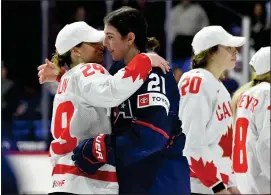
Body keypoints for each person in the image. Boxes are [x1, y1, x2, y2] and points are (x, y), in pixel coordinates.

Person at [40, 7, 190, 194]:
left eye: (108, 37)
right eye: (95, 41)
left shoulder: (73, 79)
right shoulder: (96, 72)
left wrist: (62, 75)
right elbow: (110, 90)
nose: (102, 44)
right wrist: (144, 60)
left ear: (129, 38)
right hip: (90, 180)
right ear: (76, 50)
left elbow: (152, 136)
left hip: (151, 178)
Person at [178, 26, 245, 194]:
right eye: (228, 47)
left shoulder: (219, 86)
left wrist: (230, 183)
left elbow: (222, 141)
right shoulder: (196, 81)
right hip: (197, 185)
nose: (235, 51)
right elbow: (192, 142)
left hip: (214, 184)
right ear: (211, 52)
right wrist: (217, 186)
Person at [232, 47, 270, 194]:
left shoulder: (245, 93)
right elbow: (267, 144)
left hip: (246, 183)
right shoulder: (267, 93)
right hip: (263, 186)